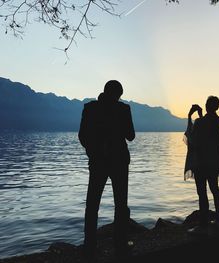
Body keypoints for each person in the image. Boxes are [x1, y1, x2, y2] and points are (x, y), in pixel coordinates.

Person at [78, 80, 135, 259]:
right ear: (117, 94)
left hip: (98, 162)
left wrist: (93, 153)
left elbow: (82, 135)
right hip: (118, 161)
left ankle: (89, 245)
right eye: (119, 95)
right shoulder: (123, 109)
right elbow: (131, 136)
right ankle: (120, 242)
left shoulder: (90, 108)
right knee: (120, 203)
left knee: (92, 204)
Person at [184, 96, 219, 234]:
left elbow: (193, 138)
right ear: (217, 107)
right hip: (213, 162)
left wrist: (190, 116)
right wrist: (200, 116)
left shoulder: (200, 122)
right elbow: (215, 140)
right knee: (215, 189)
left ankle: (203, 224)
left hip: (201, 162)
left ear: (207, 106)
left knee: (202, 193)